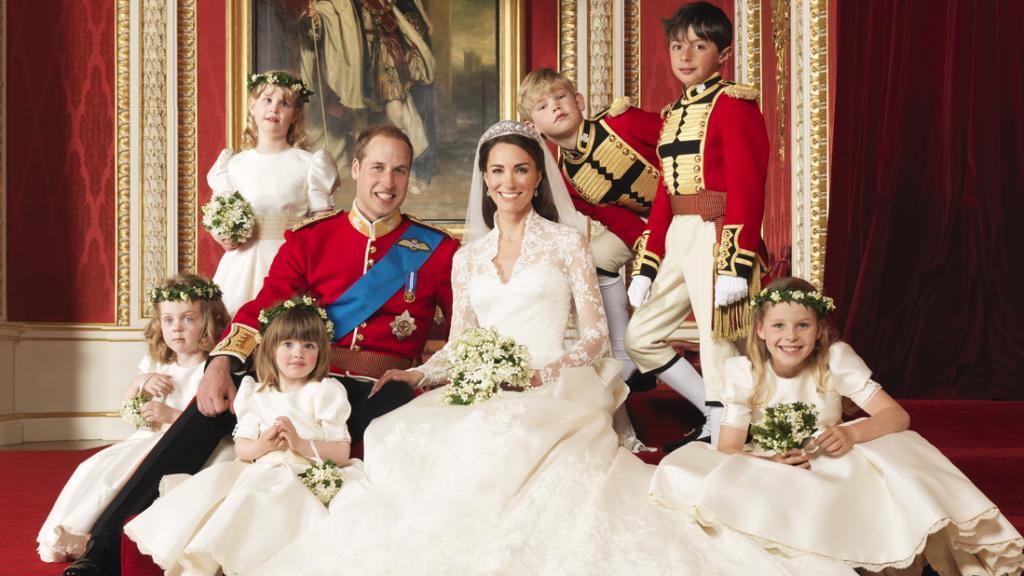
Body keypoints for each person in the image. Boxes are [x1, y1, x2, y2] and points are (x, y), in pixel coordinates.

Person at [250, 121, 860, 576]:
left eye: (520, 170)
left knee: (513, 439)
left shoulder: (567, 243)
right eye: (496, 171)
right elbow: (462, 342)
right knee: (403, 436)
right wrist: (416, 373)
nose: (507, 182)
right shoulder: (465, 257)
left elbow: (596, 337)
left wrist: (537, 370)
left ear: (537, 177)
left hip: (556, 381)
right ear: (483, 180)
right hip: (487, 383)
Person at [62, 125, 457, 576]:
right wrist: (222, 363)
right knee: (208, 409)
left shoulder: (437, 250)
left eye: (399, 171)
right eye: (377, 168)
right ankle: (105, 547)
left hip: (377, 390)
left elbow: (460, 328)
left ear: (410, 176)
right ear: (355, 170)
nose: (387, 182)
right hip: (298, 372)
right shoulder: (312, 239)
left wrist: (424, 372)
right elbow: (262, 307)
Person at [651, 277, 1024, 575]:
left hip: (827, 460)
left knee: (898, 450)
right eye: (779, 325)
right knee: (687, 469)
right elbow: (729, 450)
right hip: (770, 462)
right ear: (761, 329)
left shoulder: (834, 361)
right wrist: (770, 463)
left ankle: (886, 554)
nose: (791, 336)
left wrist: (851, 432)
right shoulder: (743, 372)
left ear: (818, 329)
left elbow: (897, 416)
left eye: (802, 325)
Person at [625, 1, 770, 448]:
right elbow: (665, 196)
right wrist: (647, 265)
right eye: (676, 47)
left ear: (722, 54)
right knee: (640, 336)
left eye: (699, 46)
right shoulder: (673, 114)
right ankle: (713, 411)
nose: (684, 57)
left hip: (719, 232)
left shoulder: (733, 104)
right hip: (679, 235)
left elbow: (749, 187)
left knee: (717, 337)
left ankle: (725, 425)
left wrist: (734, 263)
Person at [125, 299, 353, 575]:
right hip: (260, 468)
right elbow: (243, 449)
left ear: (320, 351)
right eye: (288, 344)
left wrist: (300, 444)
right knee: (216, 494)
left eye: (309, 346)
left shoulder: (326, 392)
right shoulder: (255, 392)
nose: (298, 354)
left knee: (262, 497)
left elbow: (342, 453)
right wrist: (264, 445)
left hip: (303, 472)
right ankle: (211, 563)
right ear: (270, 349)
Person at [37, 275, 230, 563]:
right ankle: (79, 530)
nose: (176, 328)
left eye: (188, 319)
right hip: (146, 437)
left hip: (184, 445)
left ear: (209, 320)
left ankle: (108, 538)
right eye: (168, 320)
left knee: (131, 471)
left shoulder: (212, 369)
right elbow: (129, 410)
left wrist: (170, 416)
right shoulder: (157, 363)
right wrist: (141, 383)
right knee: (95, 466)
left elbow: (209, 424)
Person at [518, 67, 663, 383]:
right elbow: (616, 219)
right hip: (646, 226)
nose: (555, 106)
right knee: (592, 261)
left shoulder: (621, 122)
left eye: (560, 97)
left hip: (688, 209)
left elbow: (678, 153)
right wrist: (651, 247)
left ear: (579, 100)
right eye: (542, 106)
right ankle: (626, 358)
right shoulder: (567, 180)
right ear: (533, 127)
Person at [207, 69, 339, 315]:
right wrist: (223, 235)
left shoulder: (309, 163)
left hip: (288, 262)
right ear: (253, 106)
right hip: (241, 264)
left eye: (284, 103)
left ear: (295, 114)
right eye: (267, 100)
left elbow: (323, 226)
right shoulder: (234, 165)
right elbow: (221, 213)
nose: (274, 109)